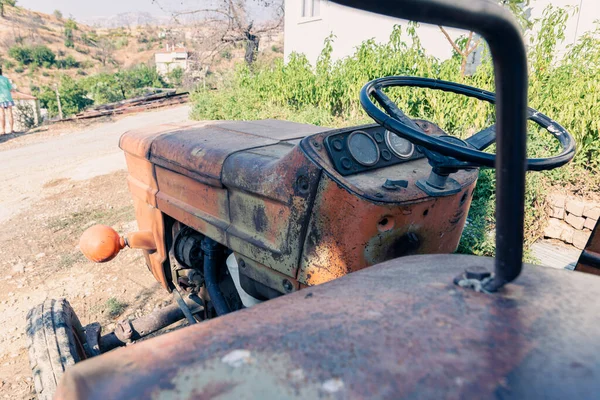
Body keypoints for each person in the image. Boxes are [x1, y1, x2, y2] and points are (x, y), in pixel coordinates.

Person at [0, 66, 15, 135]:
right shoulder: (5, 79)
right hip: (8, 98)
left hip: (0, 99)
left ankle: (3, 130)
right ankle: (12, 129)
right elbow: (11, 89)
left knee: (2, 115)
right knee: (10, 114)